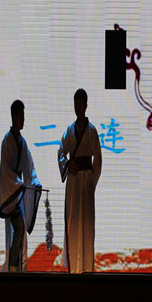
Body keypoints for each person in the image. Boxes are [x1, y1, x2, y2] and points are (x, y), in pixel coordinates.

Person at [58, 88, 102, 273]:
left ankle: (86, 268)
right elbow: (61, 151)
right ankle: (73, 267)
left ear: (86, 105)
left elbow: (97, 159)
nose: (78, 107)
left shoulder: (92, 131)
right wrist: (67, 164)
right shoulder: (69, 130)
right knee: (73, 221)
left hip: (85, 181)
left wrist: (92, 182)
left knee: (86, 223)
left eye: (81, 103)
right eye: (76, 103)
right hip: (74, 180)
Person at [0, 100, 42, 272]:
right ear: (14, 117)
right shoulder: (7, 140)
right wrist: (18, 185)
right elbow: (6, 170)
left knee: (20, 232)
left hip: (17, 192)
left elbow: (28, 166)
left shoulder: (22, 142)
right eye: (21, 116)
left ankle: (16, 268)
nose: (23, 120)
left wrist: (35, 183)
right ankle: (12, 267)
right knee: (18, 228)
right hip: (11, 194)